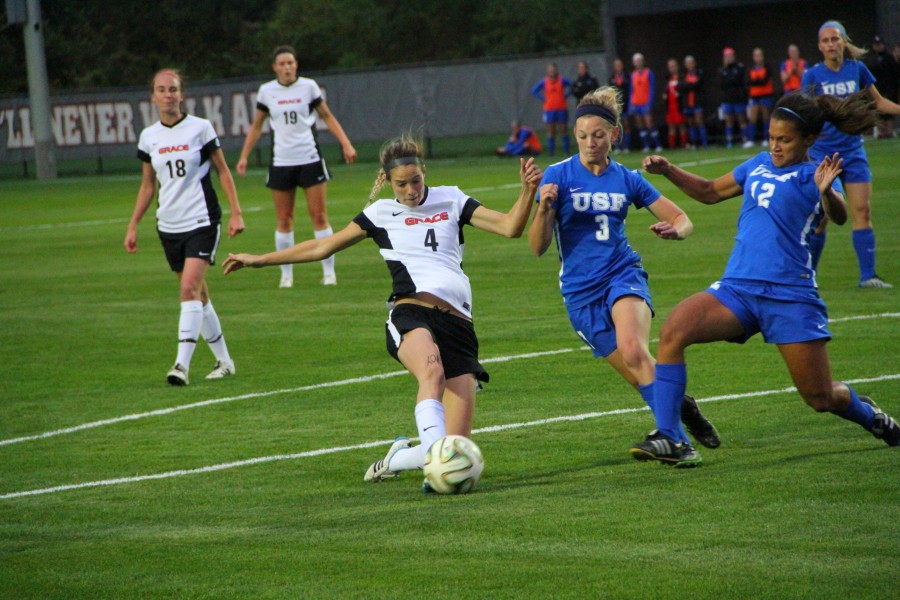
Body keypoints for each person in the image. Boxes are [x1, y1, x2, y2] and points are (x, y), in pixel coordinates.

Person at [222, 135, 544, 488]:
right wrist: (258, 260)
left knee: (458, 446)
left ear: (425, 174)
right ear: (387, 182)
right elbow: (322, 246)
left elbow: (511, 227)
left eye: (416, 181)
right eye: (401, 184)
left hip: (459, 324)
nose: (410, 190)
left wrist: (528, 190)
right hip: (412, 312)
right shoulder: (379, 214)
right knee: (431, 373)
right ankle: (436, 464)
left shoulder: (452, 198)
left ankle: (398, 457)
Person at [637, 92, 899, 464]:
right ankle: (671, 438)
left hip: (790, 296)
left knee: (820, 398)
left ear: (807, 139)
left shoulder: (817, 172)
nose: (775, 146)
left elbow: (838, 215)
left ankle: (869, 415)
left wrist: (828, 194)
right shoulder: (758, 164)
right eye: (772, 137)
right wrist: (669, 171)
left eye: (785, 140)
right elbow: (711, 192)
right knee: (674, 330)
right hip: (738, 289)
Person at [527, 87, 720, 467]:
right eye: (582, 136)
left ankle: (678, 445)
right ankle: (683, 408)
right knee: (640, 377)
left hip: (622, 275)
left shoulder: (628, 179)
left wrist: (675, 231)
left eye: (598, 135)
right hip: (580, 295)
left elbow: (682, 218)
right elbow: (537, 247)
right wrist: (544, 210)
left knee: (634, 350)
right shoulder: (558, 175)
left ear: (614, 135)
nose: (589, 143)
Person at [124, 69, 245, 386]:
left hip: (202, 221)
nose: (167, 94)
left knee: (188, 288)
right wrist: (133, 224)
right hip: (169, 226)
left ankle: (181, 365)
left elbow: (223, 171)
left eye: (173, 89)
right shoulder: (149, 137)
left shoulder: (200, 129)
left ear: (182, 94)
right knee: (199, 296)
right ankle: (225, 361)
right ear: (152, 96)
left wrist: (236, 213)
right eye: (161, 90)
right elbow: (148, 185)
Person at [236, 45, 357, 289]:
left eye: (290, 63)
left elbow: (327, 116)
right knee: (284, 219)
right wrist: (244, 155)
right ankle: (286, 275)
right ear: (275, 68)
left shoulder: (309, 87)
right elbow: (258, 125)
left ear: (296, 65)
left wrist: (346, 144)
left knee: (320, 216)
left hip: (309, 158)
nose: (287, 67)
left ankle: (329, 273)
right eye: (282, 64)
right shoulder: (267, 91)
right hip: (281, 161)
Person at [802, 20, 900, 289]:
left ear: (844, 41)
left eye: (835, 39)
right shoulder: (811, 76)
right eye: (826, 41)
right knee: (821, 218)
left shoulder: (857, 69)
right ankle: (806, 278)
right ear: (820, 46)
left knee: (862, 210)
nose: (831, 45)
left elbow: (877, 102)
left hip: (853, 152)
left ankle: (868, 276)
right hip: (822, 156)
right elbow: (805, 114)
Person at [531, 62, 572, 156]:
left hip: (561, 108)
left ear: (556, 70)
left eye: (553, 70)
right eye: (550, 70)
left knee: (563, 129)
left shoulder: (562, 80)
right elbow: (534, 91)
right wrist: (544, 99)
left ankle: (566, 151)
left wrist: (565, 96)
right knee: (551, 131)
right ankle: (551, 152)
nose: (552, 72)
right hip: (549, 109)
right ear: (547, 71)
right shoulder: (544, 82)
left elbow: (572, 86)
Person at [628, 53, 662, 152]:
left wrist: (649, 103)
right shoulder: (633, 75)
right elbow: (631, 90)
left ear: (643, 61)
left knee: (649, 123)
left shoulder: (648, 73)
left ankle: (658, 144)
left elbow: (652, 89)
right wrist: (630, 104)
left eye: (639, 61)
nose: (638, 63)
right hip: (636, 103)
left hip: (645, 103)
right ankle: (646, 145)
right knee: (640, 124)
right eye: (636, 61)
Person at [867, 36, 898, 139]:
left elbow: (894, 73)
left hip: (888, 88)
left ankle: (889, 131)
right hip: (876, 88)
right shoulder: (872, 58)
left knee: (888, 113)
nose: (878, 47)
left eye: (879, 44)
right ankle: (880, 132)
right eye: (876, 45)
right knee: (878, 111)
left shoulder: (889, 58)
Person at [745, 47, 776, 147]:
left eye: (759, 55)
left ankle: (766, 139)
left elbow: (764, 81)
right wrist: (757, 81)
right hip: (754, 96)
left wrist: (756, 81)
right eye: (756, 55)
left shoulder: (767, 67)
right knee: (752, 118)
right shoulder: (750, 68)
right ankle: (751, 139)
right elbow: (748, 81)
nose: (758, 57)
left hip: (765, 95)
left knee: (766, 117)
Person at [719, 47, 749, 148]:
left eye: (730, 56)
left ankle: (745, 139)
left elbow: (737, 80)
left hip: (738, 98)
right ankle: (729, 140)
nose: (728, 58)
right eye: (726, 56)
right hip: (727, 99)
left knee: (741, 118)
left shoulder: (739, 67)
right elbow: (722, 83)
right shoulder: (722, 70)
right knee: (729, 120)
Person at [680, 55, 709, 148]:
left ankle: (704, 143)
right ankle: (694, 143)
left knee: (699, 120)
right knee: (690, 122)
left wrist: (688, 85)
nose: (690, 65)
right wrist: (690, 85)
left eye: (691, 63)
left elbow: (698, 85)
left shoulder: (699, 73)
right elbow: (681, 86)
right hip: (687, 102)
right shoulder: (683, 75)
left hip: (697, 101)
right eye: (687, 63)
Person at [663, 58, 689, 149]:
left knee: (681, 125)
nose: (672, 68)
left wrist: (680, 94)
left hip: (679, 105)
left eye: (673, 66)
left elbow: (685, 88)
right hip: (670, 105)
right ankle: (672, 146)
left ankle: (684, 144)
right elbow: (666, 90)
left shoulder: (681, 77)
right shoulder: (667, 79)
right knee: (671, 126)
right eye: (670, 67)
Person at [608, 57, 633, 152]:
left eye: (620, 65)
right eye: (616, 65)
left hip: (626, 104)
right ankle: (618, 146)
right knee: (616, 126)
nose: (618, 67)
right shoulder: (612, 78)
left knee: (626, 125)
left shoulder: (627, 76)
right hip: (616, 106)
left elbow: (631, 91)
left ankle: (626, 146)